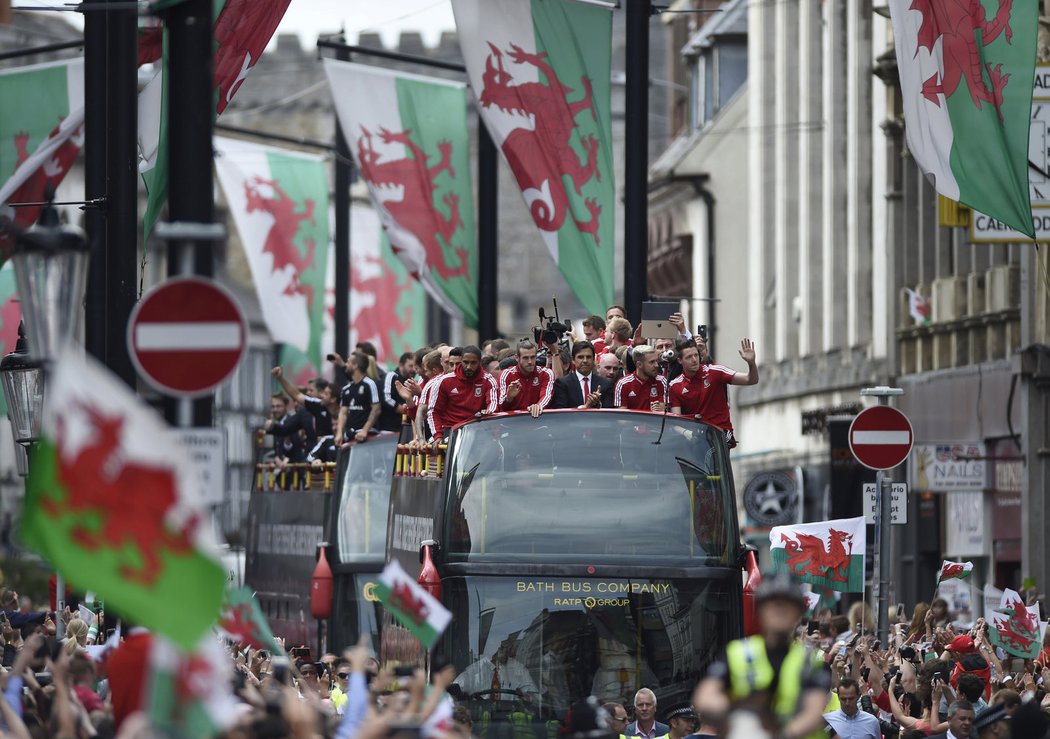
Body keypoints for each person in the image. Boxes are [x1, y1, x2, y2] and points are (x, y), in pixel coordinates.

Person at [694, 571, 830, 739]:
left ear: (798, 614)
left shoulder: (810, 661)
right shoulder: (737, 652)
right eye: (773, 604)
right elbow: (706, 695)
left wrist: (782, 734)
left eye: (787, 605)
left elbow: (813, 712)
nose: (780, 610)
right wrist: (733, 713)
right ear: (760, 610)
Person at [427, 346, 498, 441]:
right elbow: (433, 410)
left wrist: (489, 412)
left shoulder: (489, 380)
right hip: (451, 430)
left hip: (478, 429)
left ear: (479, 362)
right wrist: (438, 435)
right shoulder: (444, 381)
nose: (469, 366)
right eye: (465, 362)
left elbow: (493, 404)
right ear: (461, 361)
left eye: (473, 363)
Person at [272, 367, 339, 463]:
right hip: (315, 460)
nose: (308, 393)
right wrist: (280, 378)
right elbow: (297, 395)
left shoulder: (345, 411)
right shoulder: (316, 405)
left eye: (311, 390)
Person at [499, 339, 556, 417]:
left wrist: (539, 406)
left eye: (533, 357)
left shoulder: (546, 373)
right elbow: (500, 405)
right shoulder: (506, 374)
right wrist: (509, 398)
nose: (530, 361)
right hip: (512, 423)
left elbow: (546, 396)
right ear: (516, 357)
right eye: (525, 358)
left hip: (538, 421)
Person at [335, 352, 381, 445]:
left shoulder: (370, 384)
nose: (346, 365)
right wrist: (339, 433)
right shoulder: (346, 389)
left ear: (355, 365)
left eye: (348, 362)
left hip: (368, 436)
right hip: (351, 435)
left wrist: (365, 430)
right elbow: (343, 413)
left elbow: (376, 409)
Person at [551, 340, 614, 409]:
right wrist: (584, 407)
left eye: (588, 357)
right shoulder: (562, 383)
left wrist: (597, 404)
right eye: (580, 357)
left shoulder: (605, 384)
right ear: (573, 360)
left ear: (594, 360)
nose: (585, 361)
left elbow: (609, 411)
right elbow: (560, 411)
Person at [614, 345, 668, 411]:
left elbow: (664, 410)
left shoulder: (662, 381)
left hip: (655, 420)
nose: (656, 365)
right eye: (652, 362)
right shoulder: (623, 384)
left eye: (656, 361)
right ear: (639, 364)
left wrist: (659, 411)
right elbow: (622, 416)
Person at [377, 351, 416, 432]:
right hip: (389, 428)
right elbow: (386, 398)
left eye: (415, 366)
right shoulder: (391, 376)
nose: (413, 369)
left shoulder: (413, 382)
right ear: (401, 365)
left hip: (405, 429)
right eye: (410, 366)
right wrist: (406, 411)